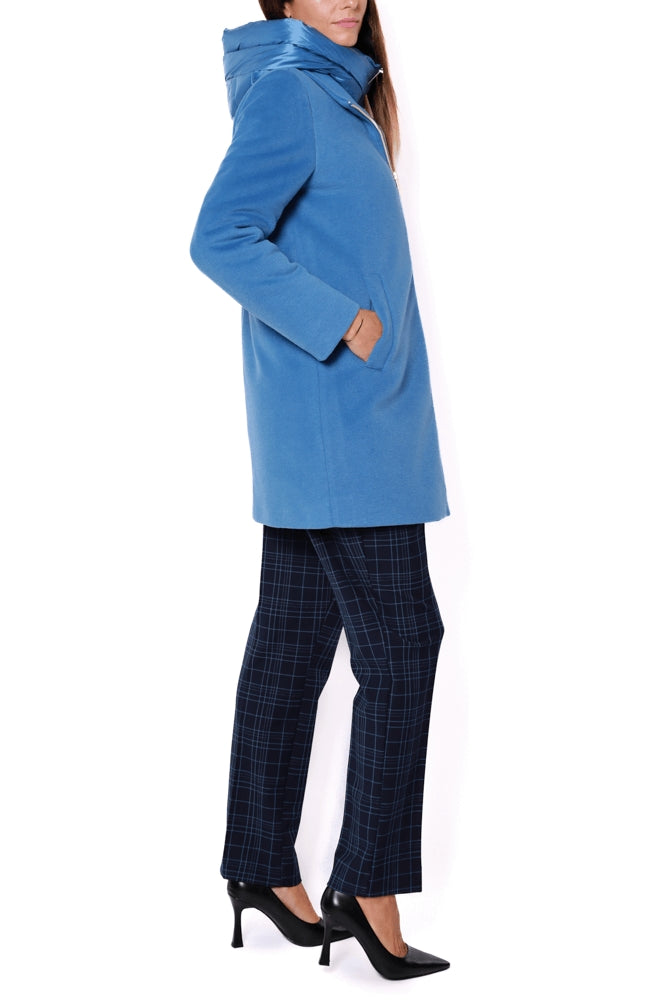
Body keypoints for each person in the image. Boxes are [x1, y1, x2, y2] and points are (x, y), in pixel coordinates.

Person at [190, 0, 451, 981]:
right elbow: (220, 236)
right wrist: (342, 321)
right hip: (345, 431)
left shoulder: (335, 97)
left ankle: (260, 862)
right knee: (404, 644)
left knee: (294, 642)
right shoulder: (293, 96)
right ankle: (366, 888)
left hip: (338, 424)